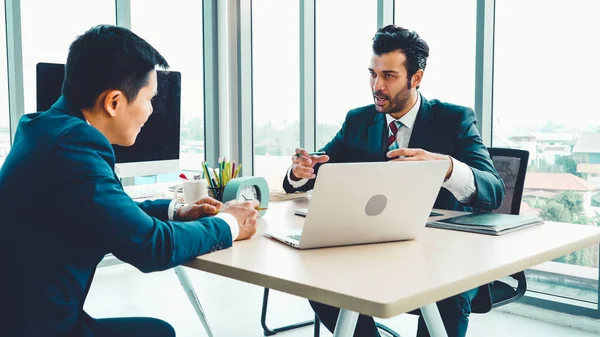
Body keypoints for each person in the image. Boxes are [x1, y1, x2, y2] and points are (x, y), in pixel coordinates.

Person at [0, 25, 259, 337]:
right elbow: (152, 247)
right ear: (114, 102)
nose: (151, 111)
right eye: (149, 98)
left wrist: (176, 211)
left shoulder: (44, 128)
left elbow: (106, 210)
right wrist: (231, 223)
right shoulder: (75, 147)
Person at [283, 25, 505, 337]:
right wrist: (300, 172)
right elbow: (318, 169)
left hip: (438, 256)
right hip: (370, 249)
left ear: (416, 78)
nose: (377, 85)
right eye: (372, 74)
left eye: (388, 76)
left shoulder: (454, 119)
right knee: (320, 285)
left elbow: (493, 191)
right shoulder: (359, 120)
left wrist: (447, 167)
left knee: (446, 299)